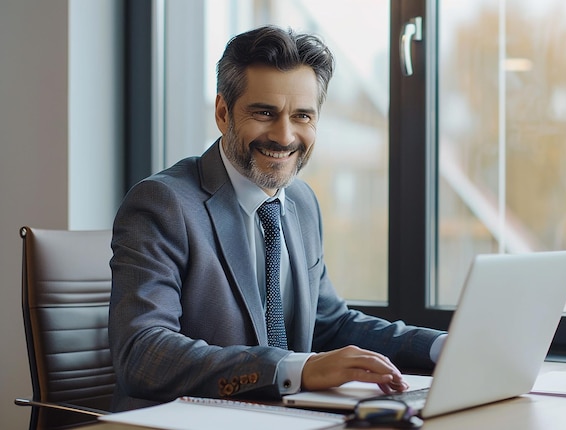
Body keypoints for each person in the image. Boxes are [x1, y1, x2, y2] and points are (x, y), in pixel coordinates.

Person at [108, 25, 446, 412]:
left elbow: (330, 325)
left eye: (302, 116)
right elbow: (143, 353)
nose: (285, 136)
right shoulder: (162, 204)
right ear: (223, 113)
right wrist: (297, 369)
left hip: (287, 417)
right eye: (265, 113)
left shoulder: (300, 202)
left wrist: (441, 347)